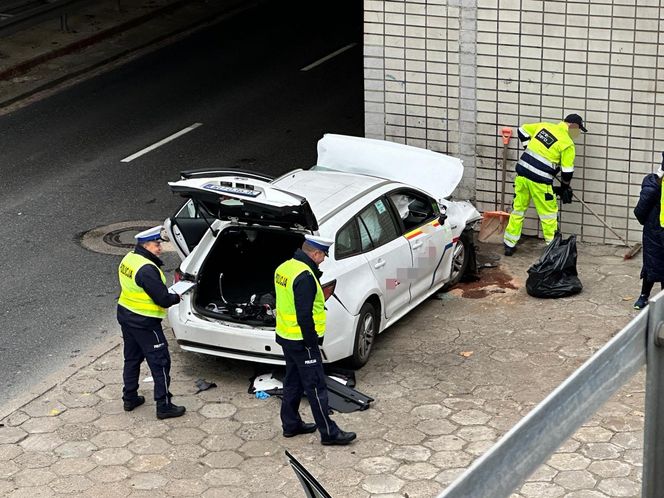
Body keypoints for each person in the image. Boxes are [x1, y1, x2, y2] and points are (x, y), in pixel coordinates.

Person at [274, 234, 356, 446]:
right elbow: (304, 315)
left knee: (292, 381)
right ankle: (329, 433)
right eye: (324, 255)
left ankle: (291, 424)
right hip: (302, 341)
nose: (324, 260)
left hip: (286, 336)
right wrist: (312, 343)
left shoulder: (284, 268)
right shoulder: (305, 276)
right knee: (316, 387)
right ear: (316, 253)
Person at [117, 226, 186, 419]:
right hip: (145, 322)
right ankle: (164, 406)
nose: (160, 249)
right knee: (160, 363)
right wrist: (177, 295)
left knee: (131, 358)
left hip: (126, 315)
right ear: (146, 245)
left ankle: (129, 398)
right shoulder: (147, 269)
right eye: (157, 245)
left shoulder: (130, 258)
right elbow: (162, 299)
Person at [503, 114, 587, 256]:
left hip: (522, 175)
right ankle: (552, 249)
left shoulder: (545, 126)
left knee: (518, 210)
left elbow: (522, 130)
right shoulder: (567, 143)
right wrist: (565, 186)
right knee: (548, 215)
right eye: (578, 129)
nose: (577, 133)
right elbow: (567, 171)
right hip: (540, 182)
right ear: (573, 126)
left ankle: (509, 244)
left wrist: (528, 148)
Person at [633, 153, 664, 309]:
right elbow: (640, 210)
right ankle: (644, 295)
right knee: (651, 263)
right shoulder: (654, 183)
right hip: (655, 230)